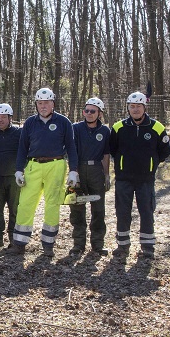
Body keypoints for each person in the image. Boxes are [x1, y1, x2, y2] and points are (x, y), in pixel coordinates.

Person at [11, 87, 78, 257]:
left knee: (52, 204)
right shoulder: (30, 123)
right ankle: (19, 243)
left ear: (53, 103)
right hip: (33, 165)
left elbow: (71, 147)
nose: (43, 106)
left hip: (56, 165)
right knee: (25, 203)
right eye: (40, 103)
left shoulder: (64, 122)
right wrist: (19, 170)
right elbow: (22, 148)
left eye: (46, 103)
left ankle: (48, 244)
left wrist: (73, 171)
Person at [109, 91, 170, 259]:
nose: (135, 109)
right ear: (128, 107)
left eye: (138, 106)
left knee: (146, 211)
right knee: (122, 212)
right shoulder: (118, 127)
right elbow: (112, 150)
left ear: (145, 107)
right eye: (132, 106)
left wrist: (151, 164)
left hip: (146, 179)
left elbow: (165, 151)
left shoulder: (156, 127)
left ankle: (148, 247)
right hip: (123, 179)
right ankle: (122, 245)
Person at [69, 97, 110, 256]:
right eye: (86, 110)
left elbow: (106, 154)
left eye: (93, 111)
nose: (89, 113)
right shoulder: (76, 128)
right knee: (77, 208)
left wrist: (106, 175)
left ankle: (98, 245)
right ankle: (78, 244)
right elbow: (72, 152)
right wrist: (73, 172)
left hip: (96, 172)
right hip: (78, 169)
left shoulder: (105, 131)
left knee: (98, 209)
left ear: (99, 113)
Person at [0, 103, 22, 249]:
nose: (0, 120)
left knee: (14, 209)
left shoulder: (19, 133)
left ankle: (13, 237)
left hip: (14, 178)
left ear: (10, 118)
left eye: (3, 117)